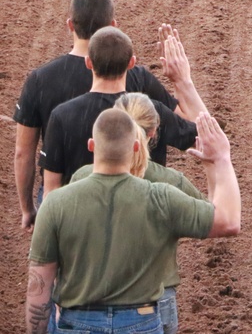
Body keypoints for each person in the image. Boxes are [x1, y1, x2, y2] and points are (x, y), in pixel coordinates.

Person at [24, 108, 240, 334]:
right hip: (142, 322)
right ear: (137, 147)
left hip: (77, 321)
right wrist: (221, 159)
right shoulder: (161, 198)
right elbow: (229, 221)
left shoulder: (56, 203)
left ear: (91, 145)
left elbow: (39, 288)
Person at [13, 0, 178, 231]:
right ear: (113, 24)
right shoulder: (135, 77)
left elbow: (23, 153)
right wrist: (182, 80)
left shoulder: (40, 80)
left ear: (70, 25)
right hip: (127, 198)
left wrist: (28, 209)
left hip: (66, 200)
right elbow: (183, 119)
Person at [69, 93, 206, 334]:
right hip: (154, 297)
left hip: (95, 298)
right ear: (153, 132)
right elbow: (216, 218)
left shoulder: (81, 178)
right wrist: (217, 163)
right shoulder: (170, 183)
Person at [39, 27, 205, 196]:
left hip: (83, 216)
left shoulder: (61, 116)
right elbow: (206, 138)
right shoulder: (152, 111)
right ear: (131, 63)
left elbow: (51, 190)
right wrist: (182, 80)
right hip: (145, 216)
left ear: (88, 62)